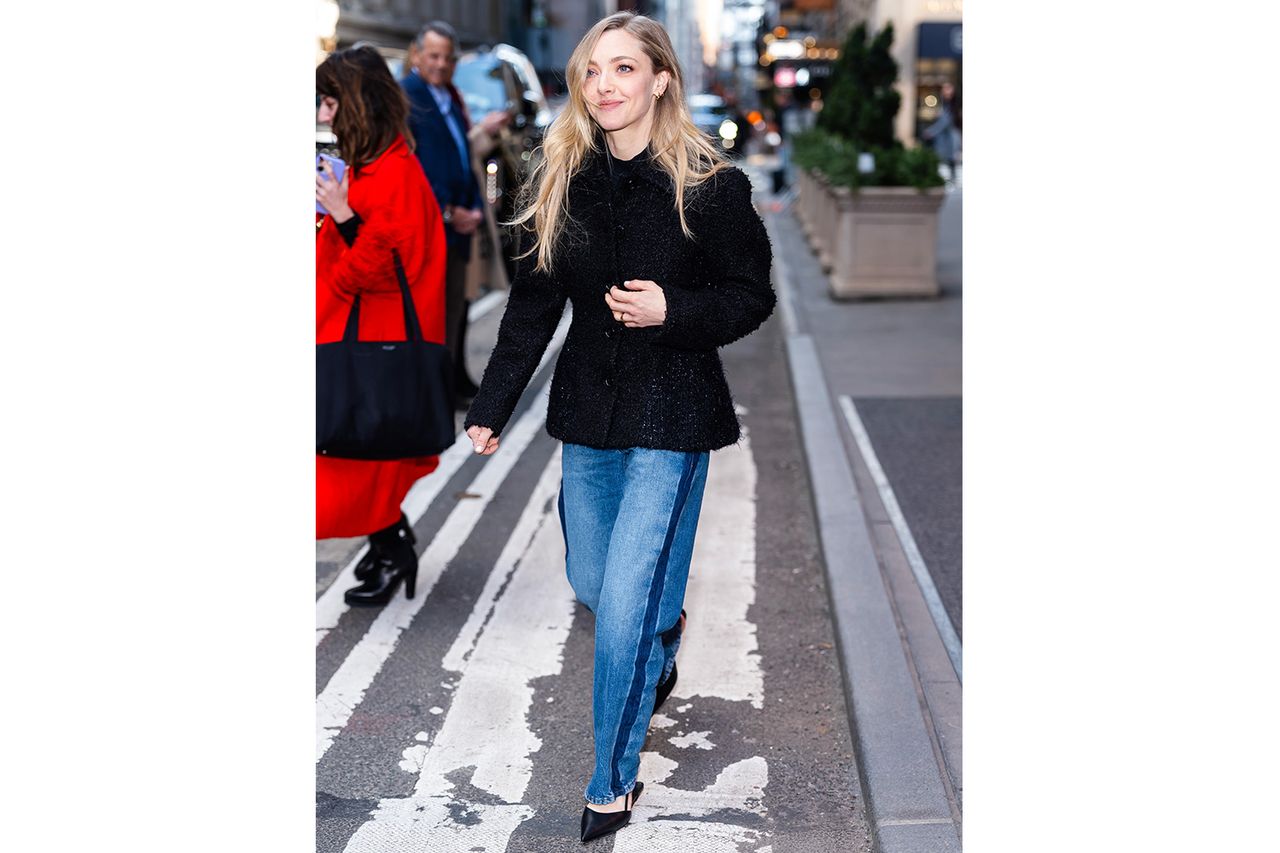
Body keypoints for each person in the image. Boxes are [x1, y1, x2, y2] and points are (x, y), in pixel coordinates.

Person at [463, 12, 774, 843]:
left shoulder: (709, 184)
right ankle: (661, 645)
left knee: (627, 606)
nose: (605, 84)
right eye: (593, 70)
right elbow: (532, 307)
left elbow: (751, 295)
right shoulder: (557, 177)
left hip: (672, 413)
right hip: (589, 416)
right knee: (599, 588)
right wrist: (491, 405)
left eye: (624, 68)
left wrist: (676, 309)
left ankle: (611, 778)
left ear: (660, 80)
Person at [316, 45, 448, 607]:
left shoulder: (391, 170)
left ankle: (391, 544)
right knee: (357, 459)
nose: (321, 113)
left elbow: (374, 268)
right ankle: (390, 544)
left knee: (351, 462)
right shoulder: (375, 163)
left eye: (328, 101)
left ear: (354, 103)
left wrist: (340, 215)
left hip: (370, 342)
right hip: (357, 339)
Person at [401, 21, 502, 407]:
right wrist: (447, 211)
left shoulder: (451, 96)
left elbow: (461, 156)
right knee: (434, 313)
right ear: (417, 56)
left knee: (458, 308)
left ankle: (455, 379)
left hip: (460, 224)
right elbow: (413, 165)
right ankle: (437, 390)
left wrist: (475, 207)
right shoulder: (408, 96)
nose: (441, 63)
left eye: (447, 57)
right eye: (433, 56)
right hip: (433, 224)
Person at [923, 81, 960, 185]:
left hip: (951, 137)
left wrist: (931, 131)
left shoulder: (954, 105)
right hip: (942, 137)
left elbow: (945, 122)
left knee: (950, 159)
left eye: (948, 88)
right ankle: (936, 179)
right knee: (940, 158)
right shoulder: (943, 103)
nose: (946, 91)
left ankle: (952, 179)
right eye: (944, 89)